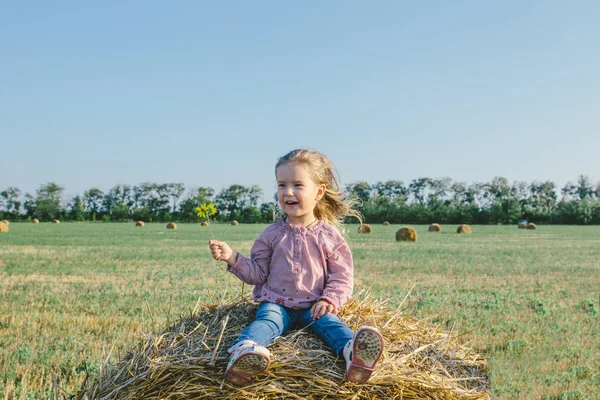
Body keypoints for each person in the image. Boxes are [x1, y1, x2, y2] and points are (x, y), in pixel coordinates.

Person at [209, 149, 384, 386]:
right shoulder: (270, 235)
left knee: (332, 324)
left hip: (314, 306)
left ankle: (353, 353)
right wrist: (232, 257)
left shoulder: (329, 236)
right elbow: (258, 273)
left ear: (319, 192)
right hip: (276, 303)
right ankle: (245, 351)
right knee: (266, 323)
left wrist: (330, 299)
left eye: (298, 185)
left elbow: (342, 276)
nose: (288, 192)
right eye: (282, 185)